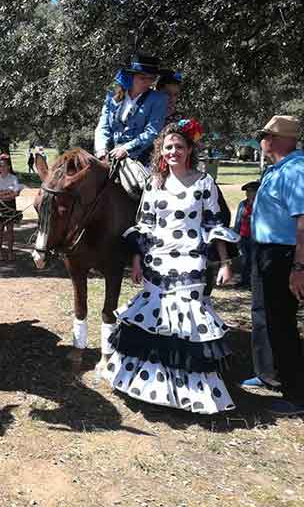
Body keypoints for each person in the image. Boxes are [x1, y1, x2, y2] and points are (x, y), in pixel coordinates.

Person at [103, 120, 239, 414]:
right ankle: (152, 385)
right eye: (168, 147)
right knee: (156, 323)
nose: (173, 151)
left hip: (191, 262)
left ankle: (191, 392)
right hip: (156, 262)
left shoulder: (204, 183)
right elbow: (146, 224)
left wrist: (225, 262)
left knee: (187, 326)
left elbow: (214, 225)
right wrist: (137, 260)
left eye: (179, 146)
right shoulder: (154, 182)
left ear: (190, 149)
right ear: (160, 152)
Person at [241, 115, 304, 416]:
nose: (262, 141)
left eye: (266, 136)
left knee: (282, 322)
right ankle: (269, 374)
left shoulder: (295, 170)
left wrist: (299, 267)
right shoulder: (276, 169)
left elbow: (303, 222)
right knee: (262, 314)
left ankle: (295, 394)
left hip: (283, 254)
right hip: (264, 250)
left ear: (281, 139)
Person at [94, 54, 169, 166]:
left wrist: (126, 149)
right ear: (131, 76)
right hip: (109, 154)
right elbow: (103, 125)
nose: (147, 83)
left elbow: (152, 132)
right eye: (142, 78)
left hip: (139, 158)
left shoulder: (159, 99)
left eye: (151, 79)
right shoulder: (112, 96)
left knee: (139, 183)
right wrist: (101, 148)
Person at [0, 154, 23, 261]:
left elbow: (16, 193)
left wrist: (2, 193)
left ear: (8, 166)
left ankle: (10, 252)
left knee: (10, 230)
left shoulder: (13, 178)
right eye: (0, 166)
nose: (2, 168)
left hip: (10, 206)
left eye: (4, 165)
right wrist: (7, 192)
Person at [233, 180, 259, 288]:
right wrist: (235, 236)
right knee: (244, 259)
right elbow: (238, 220)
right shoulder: (242, 204)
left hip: (255, 237)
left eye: (251, 191)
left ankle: (253, 283)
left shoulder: (260, 205)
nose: (248, 193)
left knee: (254, 260)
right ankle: (244, 281)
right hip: (243, 236)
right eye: (247, 191)